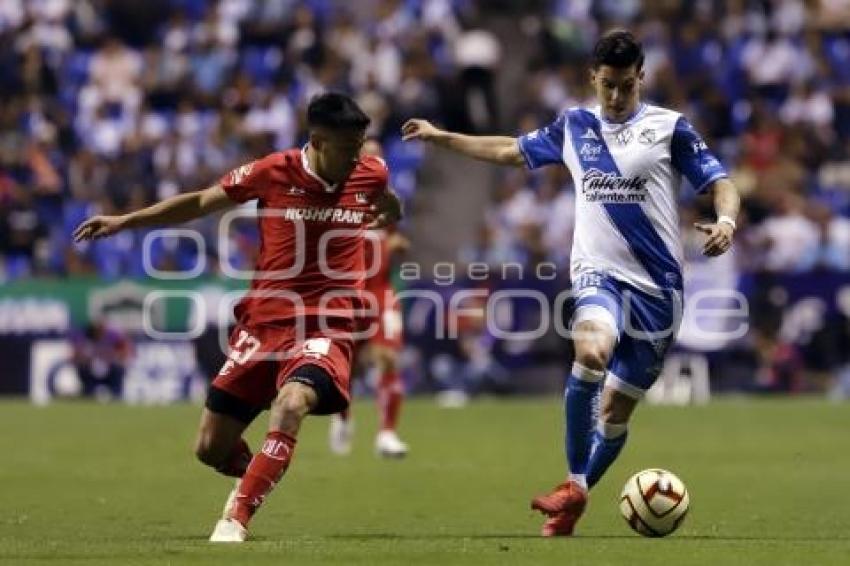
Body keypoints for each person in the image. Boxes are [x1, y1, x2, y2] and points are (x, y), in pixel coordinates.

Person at [402, 30, 740, 537]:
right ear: (593, 78)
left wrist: (726, 222)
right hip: (596, 276)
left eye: (626, 85)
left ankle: (575, 497)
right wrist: (440, 137)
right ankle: (574, 481)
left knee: (616, 410)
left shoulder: (670, 128)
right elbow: (509, 151)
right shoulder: (575, 125)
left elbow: (721, 183)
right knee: (590, 351)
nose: (616, 96)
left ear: (641, 77)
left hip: (658, 291)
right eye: (608, 85)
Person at [74, 92, 402, 543]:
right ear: (318, 140)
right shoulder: (272, 172)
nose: (357, 158)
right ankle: (257, 473)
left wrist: (393, 209)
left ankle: (235, 519)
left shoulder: (370, 170)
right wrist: (127, 221)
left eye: (361, 145)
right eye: (349, 148)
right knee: (210, 448)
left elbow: (385, 195)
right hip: (265, 323)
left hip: (329, 321)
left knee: (292, 404)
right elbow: (201, 202)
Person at [329, 138, 411, 458]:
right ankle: (343, 417)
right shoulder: (339, 200)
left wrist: (398, 245)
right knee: (345, 369)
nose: (375, 163)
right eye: (368, 157)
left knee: (388, 358)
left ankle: (387, 435)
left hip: (382, 292)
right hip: (349, 294)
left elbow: (393, 238)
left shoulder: (387, 201)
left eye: (379, 157)